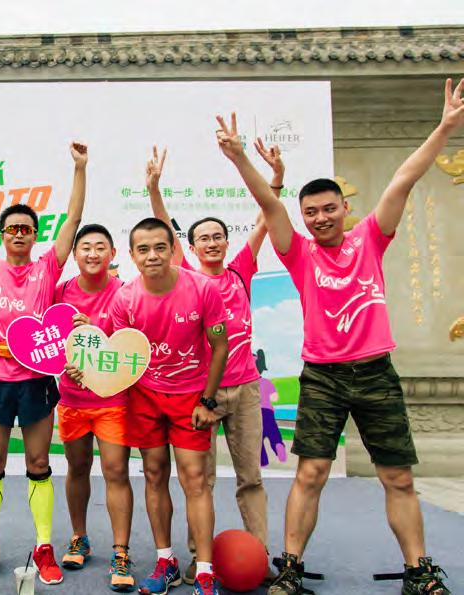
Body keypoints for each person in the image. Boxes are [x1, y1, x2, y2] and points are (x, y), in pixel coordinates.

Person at [216, 78, 462, 595]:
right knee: (311, 474)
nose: (321, 217)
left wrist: (444, 128)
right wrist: (241, 160)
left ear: (344, 210)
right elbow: (269, 203)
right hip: (323, 377)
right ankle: (292, 569)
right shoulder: (298, 252)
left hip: (376, 373)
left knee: (398, 477)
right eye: (312, 212)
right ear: (304, 218)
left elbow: (403, 180)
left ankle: (419, 571)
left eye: (329, 208)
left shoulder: (370, 238)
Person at [0, 129, 89, 585]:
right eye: (12, 230)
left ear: (34, 235)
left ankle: (44, 545)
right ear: (4, 235)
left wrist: (80, 169)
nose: (19, 236)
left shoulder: (48, 267)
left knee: (37, 464)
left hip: (37, 380)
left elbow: (72, 219)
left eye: (27, 230)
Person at [144, 141, 285, 584]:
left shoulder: (241, 268)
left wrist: (276, 178)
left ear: (226, 242)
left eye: (217, 236)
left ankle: (257, 554)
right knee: (197, 482)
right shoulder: (185, 276)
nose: (211, 243)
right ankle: (198, 555)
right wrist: (154, 188)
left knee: (250, 478)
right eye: (202, 237)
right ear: (189, 246)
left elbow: (266, 216)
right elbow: (164, 227)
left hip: (243, 389)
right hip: (197, 395)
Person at [108, 217, 228, 595]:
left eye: (160, 247)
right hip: (144, 398)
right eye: (143, 250)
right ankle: (166, 560)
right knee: (154, 475)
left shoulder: (203, 288)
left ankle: (205, 570)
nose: (152, 256)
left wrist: (208, 400)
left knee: (194, 480)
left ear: (173, 250)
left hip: (191, 398)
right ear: (132, 256)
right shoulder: (125, 298)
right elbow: (116, 354)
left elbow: (220, 345)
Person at [54, 223, 134, 592]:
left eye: (100, 247)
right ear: (74, 255)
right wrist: (61, 361)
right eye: (85, 247)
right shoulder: (62, 292)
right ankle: (79, 537)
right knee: (77, 467)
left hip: (113, 400)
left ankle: (121, 551)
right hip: (72, 398)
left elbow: (132, 344)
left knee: (116, 471)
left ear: (113, 254)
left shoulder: (125, 292)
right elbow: (48, 339)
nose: (92, 253)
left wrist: (95, 329)